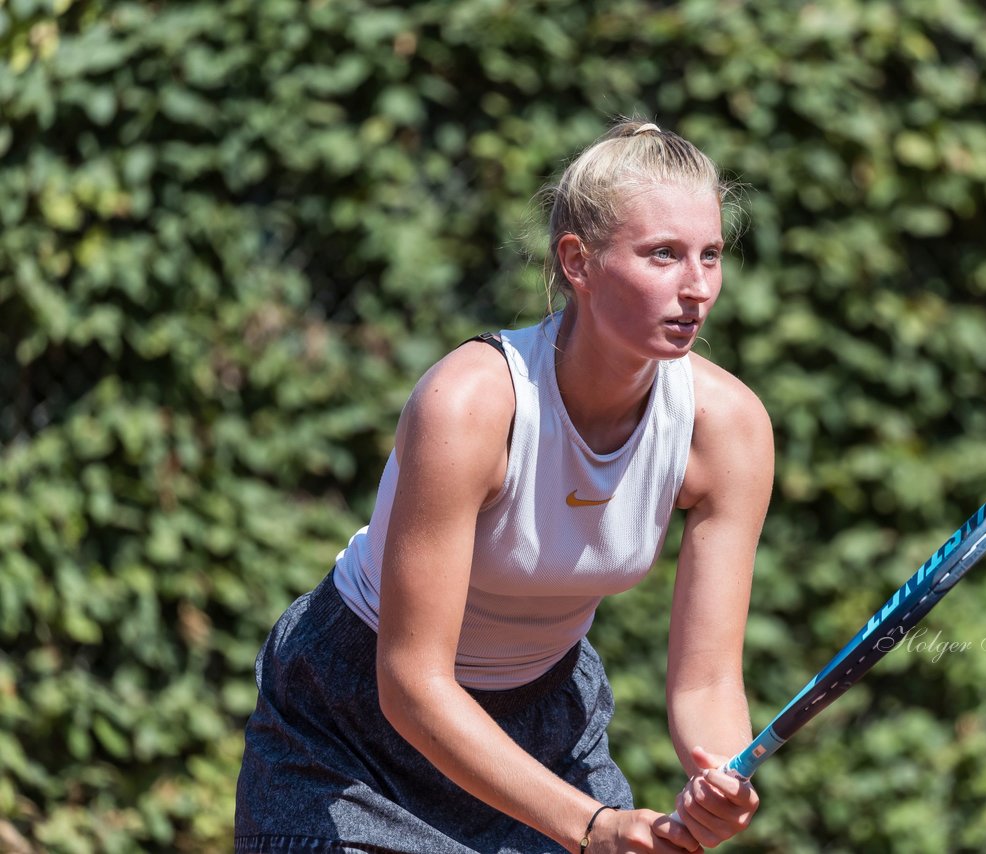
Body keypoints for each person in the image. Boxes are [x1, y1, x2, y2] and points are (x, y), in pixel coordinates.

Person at [235, 119, 774, 853]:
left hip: (549, 722)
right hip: (350, 725)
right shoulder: (468, 404)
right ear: (577, 262)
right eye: (663, 256)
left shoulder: (728, 428)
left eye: (711, 255)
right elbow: (410, 682)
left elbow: (706, 686)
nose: (697, 288)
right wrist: (591, 827)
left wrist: (719, 777)